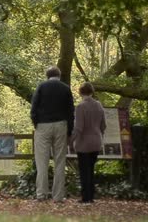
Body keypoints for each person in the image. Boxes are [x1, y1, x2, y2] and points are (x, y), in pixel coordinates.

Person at [30, 66, 74, 202]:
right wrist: (69, 131)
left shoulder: (41, 87)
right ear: (59, 75)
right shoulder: (65, 88)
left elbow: (34, 108)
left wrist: (36, 123)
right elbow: (71, 111)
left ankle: (41, 194)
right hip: (61, 125)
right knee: (60, 161)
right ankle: (58, 196)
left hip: (43, 126)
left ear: (47, 75)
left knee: (41, 161)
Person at [70, 82, 106, 204]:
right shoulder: (99, 105)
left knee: (84, 171)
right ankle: (91, 196)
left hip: (84, 143)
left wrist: (70, 141)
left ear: (80, 93)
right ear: (92, 92)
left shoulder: (80, 107)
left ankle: (86, 197)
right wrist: (101, 136)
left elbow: (79, 128)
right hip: (96, 141)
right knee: (91, 169)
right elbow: (103, 125)